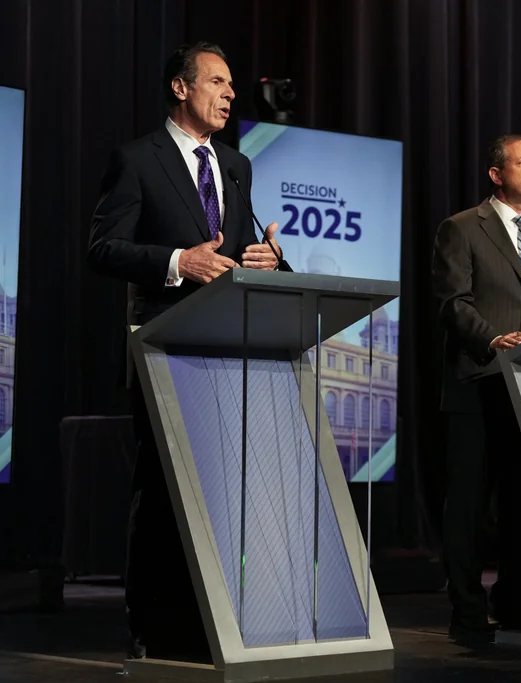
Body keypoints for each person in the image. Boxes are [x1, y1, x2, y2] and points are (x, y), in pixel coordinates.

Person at [87, 42, 282, 662]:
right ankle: (151, 624)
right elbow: (102, 248)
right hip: (163, 344)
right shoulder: (136, 159)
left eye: (232, 85)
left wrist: (267, 260)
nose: (230, 94)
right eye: (218, 82)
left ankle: (210, 618)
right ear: (180, 87)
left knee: (218, 491)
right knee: (162, 489)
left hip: (225, 347)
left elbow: (235, 248)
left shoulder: (236, 165)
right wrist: (177, 261)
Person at [431, 134, 521, 643]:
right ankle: (467, 613)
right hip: (478, 382)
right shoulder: (462, 227)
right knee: (469, 507)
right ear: (496, 174)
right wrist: (492, 339)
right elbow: (453, 302)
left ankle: (517, 603)